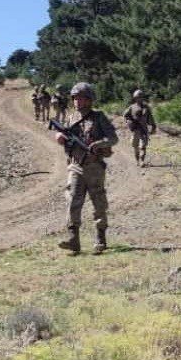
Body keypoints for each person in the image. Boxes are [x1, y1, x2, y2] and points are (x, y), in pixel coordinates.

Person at [55, 82, 118, 255]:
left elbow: (113, 138)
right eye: (75, 98)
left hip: (94, 166)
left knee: (98, 202)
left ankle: (100, 238)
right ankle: (73, 240)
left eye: (82, 98)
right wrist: (60, 137)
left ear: (89, 100)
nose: (78, 101)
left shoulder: (98, 117)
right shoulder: (70, 117)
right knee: (73, 200)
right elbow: (66, 137)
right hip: (75, 165)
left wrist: (99, 144)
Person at [123, 89, 157, 167]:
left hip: (144, 129)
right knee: (135, 147)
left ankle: (142, 161)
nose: (139, 98)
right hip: (135, 130)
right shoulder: (132, 107)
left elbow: (150, 117)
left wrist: (153, 126)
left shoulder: (146, 107)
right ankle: (137, 161)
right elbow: (125, 115)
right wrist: (128, 122)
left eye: (141, 97)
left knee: (143, 146)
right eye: (138, 97)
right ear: (135, 98)